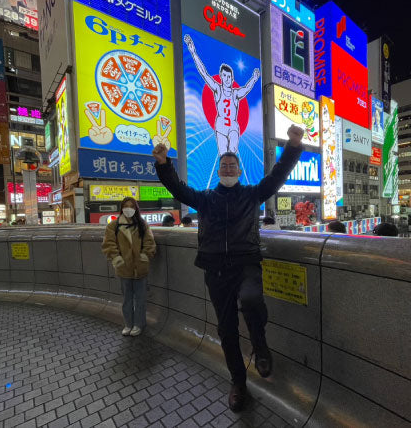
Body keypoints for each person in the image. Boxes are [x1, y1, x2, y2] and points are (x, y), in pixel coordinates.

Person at [153, 125, 304, 412]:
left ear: (239, 171)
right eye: (224, 165)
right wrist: (164, 164)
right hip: (215, 268)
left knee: (251, 299)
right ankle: (238, 382)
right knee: (227, 330)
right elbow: (178, 189)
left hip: (246, 263)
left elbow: (277, 176)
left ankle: (260, 345)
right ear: (219, 171)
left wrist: (294, 145)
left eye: (233, 165)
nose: (228, 168)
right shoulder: (206, 199)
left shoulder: (252, 194)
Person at [184, 34, 261, 155]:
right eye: (224, 76)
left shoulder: (235, 93)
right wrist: (193, 52)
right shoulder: (217, 89)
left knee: (233, 151)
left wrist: (254, 78)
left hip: (233, 127)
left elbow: (246, 88)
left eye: (229, 76)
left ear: (232, 78)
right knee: (223, 155)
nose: (226, 78)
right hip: (220, 126)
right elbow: (204, 73)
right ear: (221, 77)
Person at [101, 197, 156, 337]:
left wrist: (145, 256)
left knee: (140, 299)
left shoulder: (142, 224)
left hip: (140, 268)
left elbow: (150, 242)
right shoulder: (114, 225)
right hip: (124, 268)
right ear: (121, 208)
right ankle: (128, 324)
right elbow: (108, 243)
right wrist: (117, 258)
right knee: (127, 299)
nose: (129, 209)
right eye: (126, 206)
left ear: (136, 208)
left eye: (132, 206)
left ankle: (139, 324)